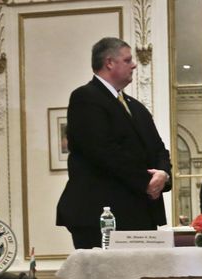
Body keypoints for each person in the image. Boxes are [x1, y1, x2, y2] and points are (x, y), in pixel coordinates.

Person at [56, 37, 172, 249]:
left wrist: (163, 175)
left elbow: (159, 149)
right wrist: (146, 181)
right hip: (101, 214)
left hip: (139, 213)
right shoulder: (85, 98)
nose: (134, 64)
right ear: (110, 63)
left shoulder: (136, 107)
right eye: (128, 60)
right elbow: (103, 151)